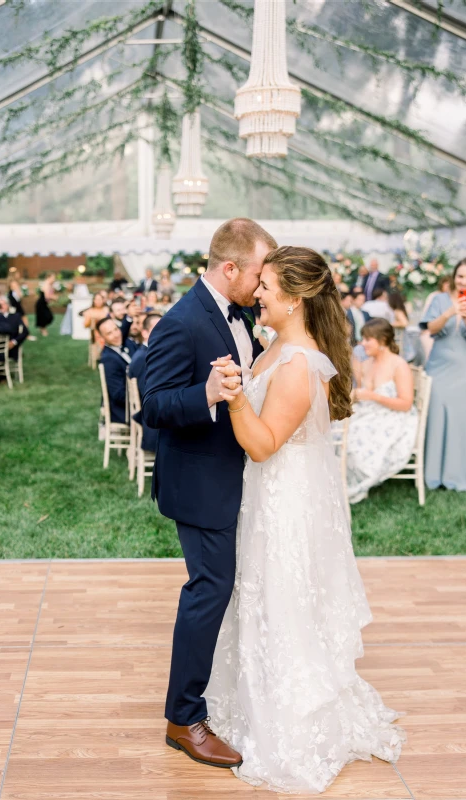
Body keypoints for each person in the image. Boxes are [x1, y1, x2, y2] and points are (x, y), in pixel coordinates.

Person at [203, 247, 405, 792]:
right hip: (265, 499)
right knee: (263, 600)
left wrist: (235, 396)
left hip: (284, 503)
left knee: (282, 603)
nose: (257, 292)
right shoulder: (278, 347)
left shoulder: (298, 364)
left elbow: (265, 444)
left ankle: (293, 724)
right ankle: (251, 702)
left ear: (294, 299)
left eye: (266, 285)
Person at [144, 218, 277, 770]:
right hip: (200, 485)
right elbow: (153, 404)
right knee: (209, 590)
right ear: (230, 269)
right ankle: (183, 718)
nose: (262, 282)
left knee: (221, 589)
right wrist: (203, 394)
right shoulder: (181, 322)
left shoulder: (239, 313)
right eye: (258, 272)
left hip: (235, 475)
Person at [347, 318, 418, 503]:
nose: (362, 343)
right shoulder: (367, 363)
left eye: (367, 339)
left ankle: (356, 482)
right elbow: (362, 395)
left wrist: (373, 396)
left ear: (383, 340)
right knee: (337, 428)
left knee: (353, 435)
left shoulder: (398, 364)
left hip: (394, 417)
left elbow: (406, 403)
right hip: (370, 412)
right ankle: (337, 481)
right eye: (362, 338)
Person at [420, 259, 466, 492]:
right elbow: (431, 328)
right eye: (460, 276)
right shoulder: (439, 299)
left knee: (459, 420)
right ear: (453, 277)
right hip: (438, 367)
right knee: (436, 417)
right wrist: (449, 313)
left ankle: (456, 475)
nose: (463, 281)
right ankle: (433, 475)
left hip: (463, 371)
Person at [128, 313, 162, 453]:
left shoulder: (148, 353)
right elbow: (147, 395)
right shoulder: (144, 358)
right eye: (156, 328)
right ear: (145, 333)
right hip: (152, 421)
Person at [97, 317, 133, 424]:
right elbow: (118, 394)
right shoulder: (109, 360)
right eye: (109, 333)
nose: (116, 334)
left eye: (116, 329)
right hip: (124, 412)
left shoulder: (122, 346)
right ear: (102, 337)